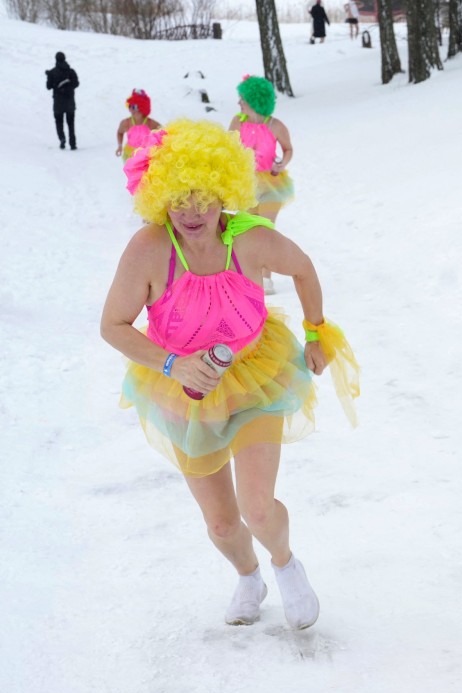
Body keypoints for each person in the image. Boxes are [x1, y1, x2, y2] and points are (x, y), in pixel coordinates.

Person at [100, 119, 359, 629]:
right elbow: (112, 325)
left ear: (225, 191)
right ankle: (249, 577)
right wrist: (173, 363)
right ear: (158, 195)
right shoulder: (149, 249)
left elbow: (303, 268)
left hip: (256, 377)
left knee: (257, 507)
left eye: (204, 196)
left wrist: (315, 332)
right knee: (221, 523)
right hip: (184, 389)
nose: (191, 210)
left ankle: (286, 566)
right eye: (179, 197)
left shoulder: (251, 238)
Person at [228, 75, 295, 294]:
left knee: (265, 229)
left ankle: (266, 279)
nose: (239, 102)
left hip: (271, 184)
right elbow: (228, 148)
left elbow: (288, 149)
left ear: (254, 101)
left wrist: (281, 163)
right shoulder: (237, 122)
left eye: (243, 99)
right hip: (245, 184)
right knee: (246, 230)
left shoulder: (276, 126)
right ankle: (247, 276)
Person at [115, 89, 162, 161]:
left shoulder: (151, 123)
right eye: (129, 106)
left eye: (134, 107)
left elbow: (163, 134)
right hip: (131, 155)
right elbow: (120, 132)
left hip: (146, 155)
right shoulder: (126, 123)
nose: (131, 109)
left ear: (142, 108)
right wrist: (120, 146)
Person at [45, 51, 79, 150]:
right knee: (71, 124)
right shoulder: (71, 71)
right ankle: (73, 144)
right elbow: (76, 83)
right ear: (64, 58)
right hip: (70, 102)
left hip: (58, 103)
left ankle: (62, 138)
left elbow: (48, 87)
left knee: (59, 122)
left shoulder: (52, 72)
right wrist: (68, 88)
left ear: (56, 59)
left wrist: (48, 76)